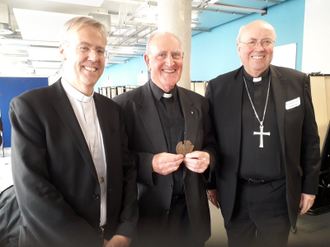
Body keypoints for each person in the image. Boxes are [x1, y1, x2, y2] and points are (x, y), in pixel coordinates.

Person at [9, 16, 138, 247]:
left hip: (112, 237)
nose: (94, 57)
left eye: (100, 50)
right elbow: (34, 191)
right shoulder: (30, 107)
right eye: (84, 47)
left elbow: (127, 171)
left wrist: (125, 230)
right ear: (63, 51)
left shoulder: (112, 110)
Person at [205, 20, 321, 247]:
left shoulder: (297, 82)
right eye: (251, 42)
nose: (259, 48)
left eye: (266, 42)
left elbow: (310, 140)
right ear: (238, 47)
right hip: (236, 192)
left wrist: (309, 187)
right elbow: (210, 140)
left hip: (279, 193)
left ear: (273, 46)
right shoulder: (218, 87)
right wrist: (211, 184)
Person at [114, 31, 218, 247]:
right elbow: (115, 159)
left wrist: (208, 157)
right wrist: (149, 163)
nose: (170, 62)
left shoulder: (199, 103)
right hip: (147, 215)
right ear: (148, 61)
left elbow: (212, 144)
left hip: (191, 216)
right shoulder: (123, 106)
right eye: (161, 55)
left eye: (176, 55)